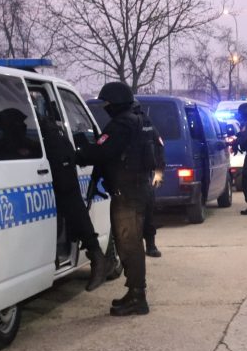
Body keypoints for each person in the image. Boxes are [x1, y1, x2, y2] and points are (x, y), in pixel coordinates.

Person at [75, 81, 155, 316]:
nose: (106, 108)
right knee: (131, 243)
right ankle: (134, 293)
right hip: (137, 190)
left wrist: (80, 153)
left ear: (117, 103)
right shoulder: (140, 120)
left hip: (127, 194)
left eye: (107, 104)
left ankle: (138, 297)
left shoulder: (121, 124)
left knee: (129, 245)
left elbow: (104, 151)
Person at [40, 111, 109, 291]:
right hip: (57, 170)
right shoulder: (51, 134)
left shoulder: (52, 136)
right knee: (72, 205)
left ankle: (96, 257)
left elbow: (102, 150)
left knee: (72, 204)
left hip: (62, 169)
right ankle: (95, 256)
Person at [133, 102, 165, 257]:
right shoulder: (147, 124)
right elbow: (159, 149)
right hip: (141, 178)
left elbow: (158, 149)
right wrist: (158, 173)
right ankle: (148, 246)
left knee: (145, 213)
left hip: (137, 178)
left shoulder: (143, 124)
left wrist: (158, 173)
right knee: (145, 213)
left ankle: (149, 245)